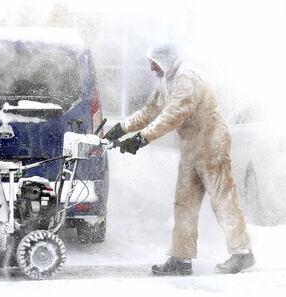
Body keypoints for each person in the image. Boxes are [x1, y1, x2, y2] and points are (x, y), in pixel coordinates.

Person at [104, 41, 255, 276]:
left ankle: (242, 253)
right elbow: (150, 111)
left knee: (221, 198)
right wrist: (121, 129)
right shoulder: (167, 79)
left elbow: (173, 115)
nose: (151, 69)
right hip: (191, 147)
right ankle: (181, 258)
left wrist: (141, 139)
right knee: (185, 202)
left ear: (165, 60)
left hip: (211, 145)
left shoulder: (187, 77)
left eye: (154, 63)